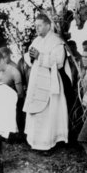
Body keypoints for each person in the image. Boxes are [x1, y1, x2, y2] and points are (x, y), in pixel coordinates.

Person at [23, 14, 72, 150]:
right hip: (36, 80)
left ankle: (48, 143)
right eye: (36, 25)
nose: (36, 28)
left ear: (48, 26)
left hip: (50, 81)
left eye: (39, 25)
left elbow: (59, 62)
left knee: (48, 112)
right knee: (36, 110)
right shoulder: (37, 40)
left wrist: (40, 56)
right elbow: (28, 56)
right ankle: (35, 141)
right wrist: (31, 57)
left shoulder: (56, 41)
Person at [0, 51, 25, 137]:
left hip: (11, 102)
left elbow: (20, 94)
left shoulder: (14, 72)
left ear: (2, 61)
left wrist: (7, 99)